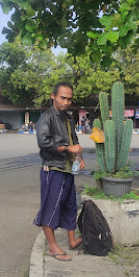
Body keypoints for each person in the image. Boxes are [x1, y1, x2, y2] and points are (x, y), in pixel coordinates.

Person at [34, 82, 85, 261]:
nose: (66, 102)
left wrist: (79, 157)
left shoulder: (68, 117)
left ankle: (71, 241)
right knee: (51, 207)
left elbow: (74, 140)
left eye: (69, 99)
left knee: (71, 205)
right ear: (53, 96)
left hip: (67, 169)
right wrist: (67, 149)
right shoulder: (46, 118)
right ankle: (53, 247)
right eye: (63, 97)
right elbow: (44, 143)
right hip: (52, 169)